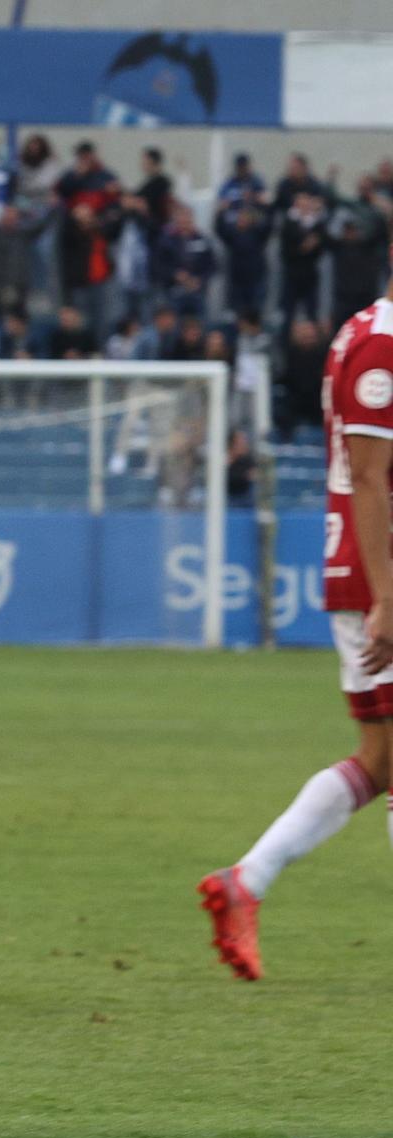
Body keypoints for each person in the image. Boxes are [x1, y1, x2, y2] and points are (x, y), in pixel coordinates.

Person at [200, 276, 393, 981]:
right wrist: (389, 596)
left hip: (371, 573)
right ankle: (248, 879)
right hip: (381, 574)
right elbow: (371, 478)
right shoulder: (382, 343)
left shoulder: (362, 329)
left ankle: (245, 882)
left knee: (381, 761)